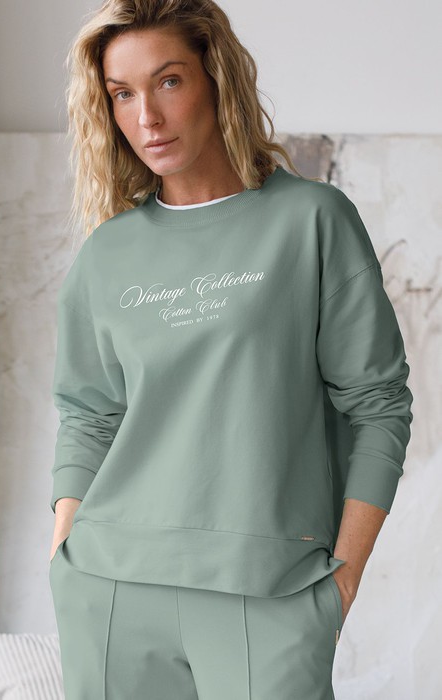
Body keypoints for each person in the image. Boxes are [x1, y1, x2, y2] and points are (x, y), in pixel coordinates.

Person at [48, 1, 414, 698]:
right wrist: (63, 550)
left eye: (169, 81)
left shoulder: (311, 221)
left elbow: (379, 406)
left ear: (216, 78)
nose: (147, 117)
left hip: (270, 593)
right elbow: (89, 416)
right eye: (122, 94)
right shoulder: (107, 253)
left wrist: (341, 582)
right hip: (109, 589)